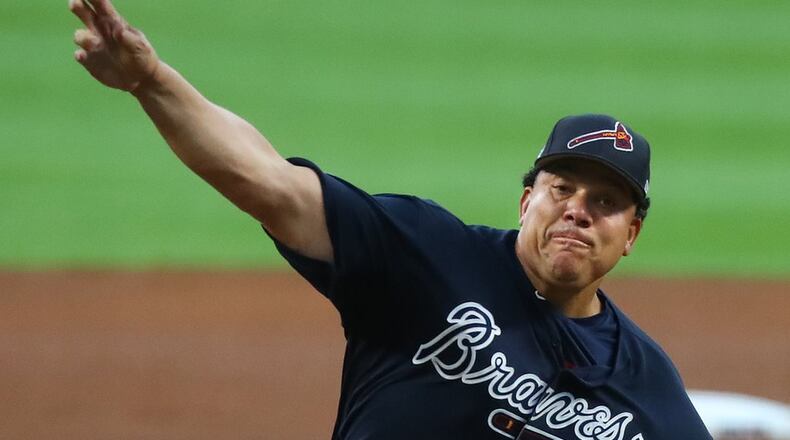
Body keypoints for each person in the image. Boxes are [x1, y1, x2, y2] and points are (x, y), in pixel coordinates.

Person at [70, 0, 713, 438]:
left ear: (630, 236)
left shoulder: (642, 381)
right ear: (526, 202)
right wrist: (150, 82)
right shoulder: (427, 254)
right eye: (562, 188)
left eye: (605, 202)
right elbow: (266, 182)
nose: (577, 209)